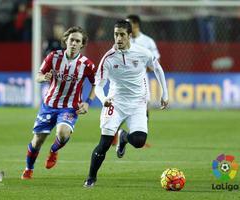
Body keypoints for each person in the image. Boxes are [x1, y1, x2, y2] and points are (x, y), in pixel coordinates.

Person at [83, 20, 168, 187]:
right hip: (116, 103)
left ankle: (124, 137)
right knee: (104, 144)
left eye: (122, 34)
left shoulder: (142, 52)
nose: (118, 38)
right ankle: (91, 178)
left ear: (129, 35)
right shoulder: (108, 58)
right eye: (116, 34)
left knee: (139, 141)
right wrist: (104, 99)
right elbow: (98, 84)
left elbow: (157, 68)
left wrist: (165, 93)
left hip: (137, 103)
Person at [21, 26, 97, 179]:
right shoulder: (53, 57)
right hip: (49, 105)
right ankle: (29, 169)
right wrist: (44, 78)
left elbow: (97, 84)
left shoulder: (87, 65)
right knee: (37, 141)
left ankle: (54, 151)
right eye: (72, 40)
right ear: (66, 41)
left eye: (78, 41)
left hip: (70, 107)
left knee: (62, 134)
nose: (74, 43)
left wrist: (88, 101)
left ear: (82, 44)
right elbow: (38, 75)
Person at [111, 14, 161, 146]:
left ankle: (138, 135)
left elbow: (156, 62)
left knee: (143, 107)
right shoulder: (123, 39)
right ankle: (114, 133)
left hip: (141, 80)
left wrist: (140, 68)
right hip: (123, 80)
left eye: (129, 24)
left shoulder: (147, 42)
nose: (125, 28)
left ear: (136, 25)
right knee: (120, 106)